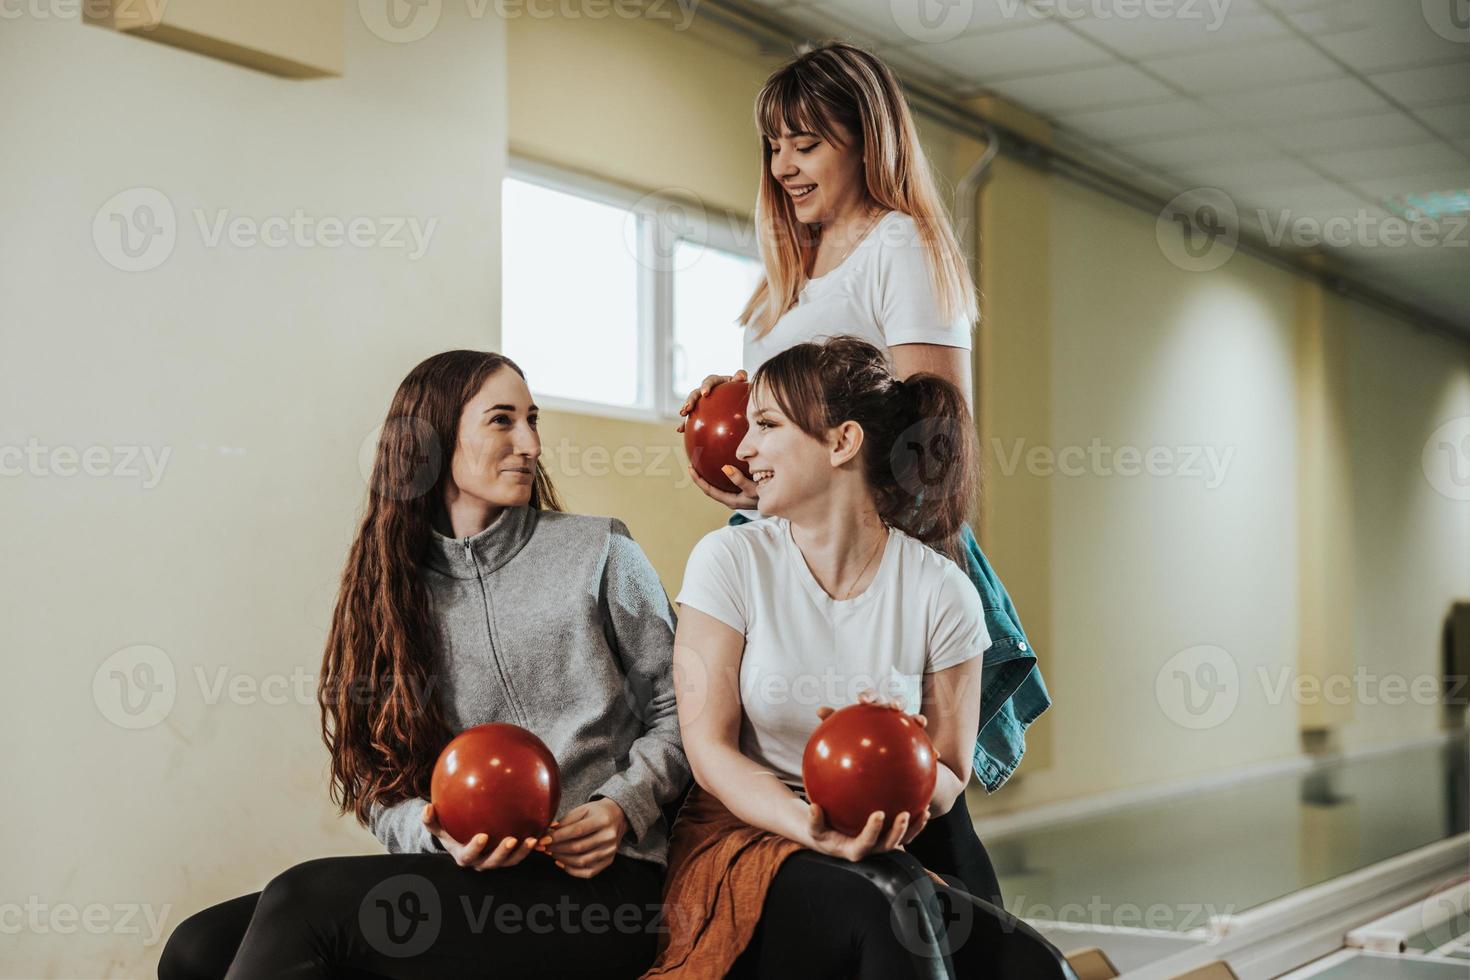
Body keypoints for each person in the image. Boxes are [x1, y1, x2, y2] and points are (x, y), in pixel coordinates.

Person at [158, 350, 690, 979]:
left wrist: (620, 807)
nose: (530, 443)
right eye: (502, 420)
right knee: (197, 947)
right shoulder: (390, 590)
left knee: (306, 901)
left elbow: (682, 710)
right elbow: (376, 780)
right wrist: (437, 836)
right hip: (472, 880)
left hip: (604, 888)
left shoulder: (599, 549)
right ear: (436, 440)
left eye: (532, 419)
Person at [674, 39, 1052, 902]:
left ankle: (982, 945)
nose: (784, 165)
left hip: (875, 554)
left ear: (866, 140)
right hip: (788, 545)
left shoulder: (901, 247)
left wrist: (874, 581)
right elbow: (794, 426)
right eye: (774, 145)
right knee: (810, 781)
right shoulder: (790, 274)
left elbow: (931, 437)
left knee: (900, 787)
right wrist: (751, 471)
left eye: (806, 143)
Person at [646, 338, 1069, 979]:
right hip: (749, 831)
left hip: (887, 830)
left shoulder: (943, 589)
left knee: (1038, 967)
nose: (742, 448)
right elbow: (709, 751)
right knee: (892, 909)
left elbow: (951, 767)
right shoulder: (729, 560)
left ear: (842, 442)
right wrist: (811, 826)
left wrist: (903, 780)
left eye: (766, 426)